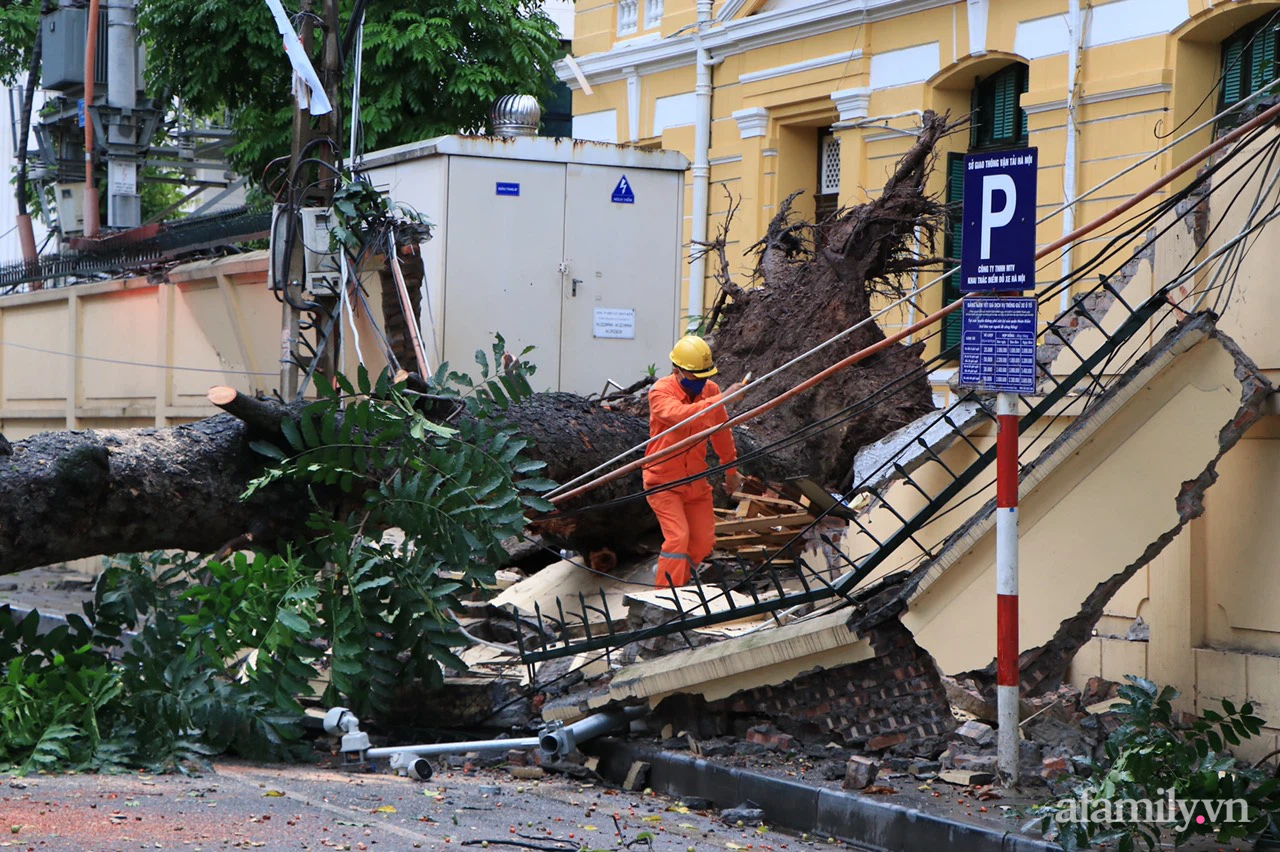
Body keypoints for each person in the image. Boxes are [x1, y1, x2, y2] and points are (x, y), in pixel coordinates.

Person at [644, 335, 748, 588]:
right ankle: (665, 597)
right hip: (664, 482)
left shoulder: (710, 391)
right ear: (677, 370)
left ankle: (678, 580)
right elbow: (679, 416)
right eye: (695, 377)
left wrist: (730, 469)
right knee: (678, 539)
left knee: (703, 542)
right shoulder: (660, 392)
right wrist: (721, 399)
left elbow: (722, 430)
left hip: (696, 482)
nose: (701, 383)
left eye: (704, 376)